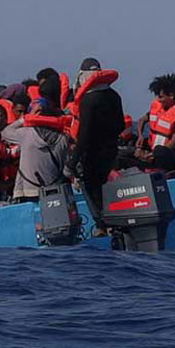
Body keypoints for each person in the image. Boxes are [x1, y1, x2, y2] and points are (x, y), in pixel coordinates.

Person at [65, 58, 125, 234]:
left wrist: (71, 163)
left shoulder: (89, 100)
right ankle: (114, 224)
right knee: (105, 188)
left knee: (90, 187)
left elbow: (83, 136)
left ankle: (101, 226)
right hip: (111, 152)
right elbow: (120, 125)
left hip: (92, 154)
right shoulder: (114, 96)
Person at [1, 109, 71, 202]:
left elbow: (5, 133)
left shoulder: (26, 133)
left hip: (29, 190)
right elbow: (66, 170)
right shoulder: (63, 139)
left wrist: (25, 118)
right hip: (55, 188)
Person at [135, 73, 175, 170]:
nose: (158, 100)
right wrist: (140, 137)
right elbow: (142, 120)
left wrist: (150, 155)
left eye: (161, 97)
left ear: (171, 96)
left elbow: (173, 143)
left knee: (160, 151)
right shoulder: (160, 109)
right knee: (127, 146)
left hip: (172, 158)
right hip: (153, 152)